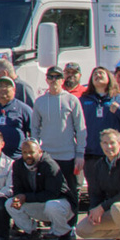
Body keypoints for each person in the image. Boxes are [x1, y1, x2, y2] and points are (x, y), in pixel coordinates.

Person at [31, 65, 86, 220]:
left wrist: (80, 153)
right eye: (51, 77)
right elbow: (34, 128)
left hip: (68, 155)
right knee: (49, 192)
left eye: (57, 77)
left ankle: (72, 225)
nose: (54, 80)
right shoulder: (40, 102)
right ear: (46, 79)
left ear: (63, 80)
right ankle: (53, 224)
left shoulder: (72, 100)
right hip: (47, 156)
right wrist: (37, 153)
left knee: (71, 192)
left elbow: (81, 128)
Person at [5, 139, 76, 240]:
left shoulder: (49, 165)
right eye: (24, 152)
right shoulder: (18, 165)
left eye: (31, 152)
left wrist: (26, 197)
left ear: (39, 152)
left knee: (52, 206)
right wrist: (18, 197)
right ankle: (31, 232)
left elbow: (52, 194)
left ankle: (64, 235)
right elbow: (17, 188)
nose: (28, 155)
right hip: (38, 203)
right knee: (9, 204)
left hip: (61, 204)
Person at [80, 66, 120, 189]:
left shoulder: (118, 98)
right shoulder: (83, 100)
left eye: (101, 73)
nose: (98, 75)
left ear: (109, 78)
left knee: (114, 190)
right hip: (91, 155)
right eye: (95, 74)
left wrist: (119, 110)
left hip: (112, 155)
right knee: (95, 192)